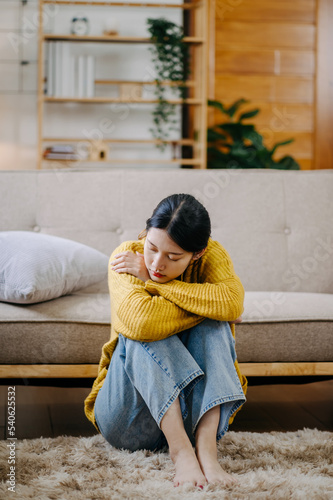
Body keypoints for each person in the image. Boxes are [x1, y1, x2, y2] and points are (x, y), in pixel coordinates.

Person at [84, 193, 247, 489]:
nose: (157, 264)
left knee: (214, 324)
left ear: (197, 253)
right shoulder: (126, 257)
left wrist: (155, 285)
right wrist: (210, 307)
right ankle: (181, 452)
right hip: (128, 420)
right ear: (145, 234)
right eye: (152, 248)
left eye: (173, 257)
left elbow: (233, 301)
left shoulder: (212, 256)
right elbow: (141, 321)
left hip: (194, 417)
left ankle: (206, 450)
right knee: (143, 327)